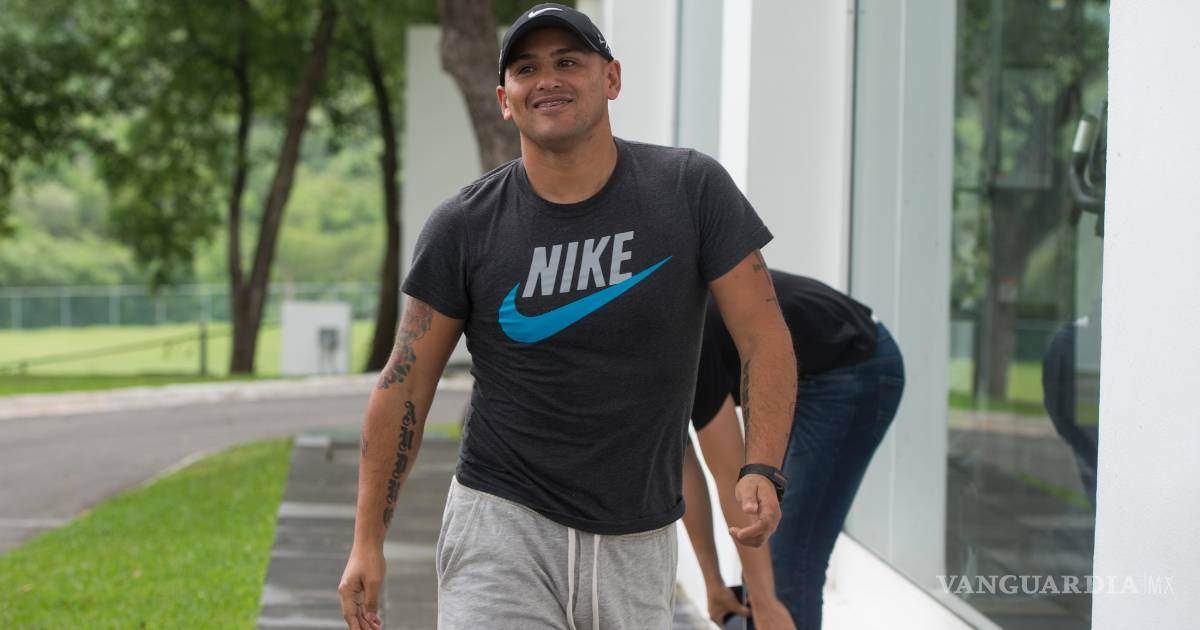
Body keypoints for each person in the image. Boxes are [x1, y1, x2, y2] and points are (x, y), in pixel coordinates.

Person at [336, 4, 797, 629]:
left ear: (612, 78)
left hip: (639, 539)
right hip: (501, 527)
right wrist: (367, 540)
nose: (547, 80)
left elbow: (764, 337)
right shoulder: (464, 226)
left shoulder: (690, 189)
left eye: (568, 62)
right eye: (526, 69)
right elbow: (405, 382)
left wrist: (762, 466)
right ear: (504, 99)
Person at [680, 271, 905, 629]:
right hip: (812, 365)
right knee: (763, 557)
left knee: (782, 571)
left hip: (852, 365)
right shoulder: (635, 370)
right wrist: (713, 582)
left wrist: (765, 601)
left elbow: (733, 475)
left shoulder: (686, 333)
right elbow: (679, 465)